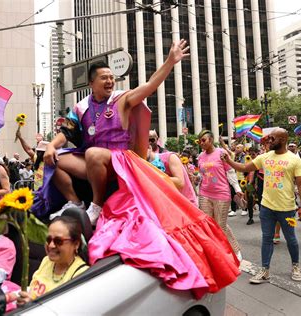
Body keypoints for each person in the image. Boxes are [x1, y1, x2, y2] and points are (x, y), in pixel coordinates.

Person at [38, 41, 239, 298]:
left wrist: (169, 62)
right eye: (104, 78)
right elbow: (64, 132)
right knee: (56, 160)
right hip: (94, 162)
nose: (110, 81)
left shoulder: (122, 99)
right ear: (92, 83)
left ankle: (96, 206)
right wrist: (51, 147)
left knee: (92, 153)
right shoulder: (81, 107)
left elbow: (150, 86)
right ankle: (75, 203)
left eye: (112, 77)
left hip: (121, 160)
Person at [222, 128, 301, 284]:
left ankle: (296, 266)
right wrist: (228, 161)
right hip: (267, 207)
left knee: (291, 239)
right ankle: (265, 270)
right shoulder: (265, 157)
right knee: (267, 239)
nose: (269, 141)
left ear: (282, 140)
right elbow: (244, 168)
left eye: (272, 138)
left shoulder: (294, 160)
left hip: (287, 208)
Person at [17, 216, 88, 305]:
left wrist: (34, 305)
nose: (51, 245)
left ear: (76, 244)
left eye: (58, 241)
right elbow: (32, 291)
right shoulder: (47, 261)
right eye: (48, 239)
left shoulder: (81, 274)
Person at [197, 130, 243, 260]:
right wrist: (197, 179)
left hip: (221, 194)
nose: (201, 143)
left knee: (220, 225)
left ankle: (235, 250)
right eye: (199, 141)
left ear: (211, 140)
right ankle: (216, 254)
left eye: (204, 140)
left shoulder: (221, 154)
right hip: (204, 193)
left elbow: (230, 172)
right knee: (208, 225)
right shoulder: (200, 156)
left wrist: (237, 188)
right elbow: (202, 174)